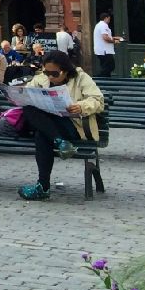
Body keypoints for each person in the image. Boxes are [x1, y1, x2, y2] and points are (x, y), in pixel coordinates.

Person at [18, 50, 105, 201]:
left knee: (42, 133)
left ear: (65, 70)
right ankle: (59, 144)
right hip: (51, 128)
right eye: (47, 72)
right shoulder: (41, 79)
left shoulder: (81, 78)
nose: (50, 77)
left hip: (73, 125)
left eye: (55, 74)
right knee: (33, 117)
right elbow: (28, 95)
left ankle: (42, 188)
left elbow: (98, 100)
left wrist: (81, 106)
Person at [93, 11, 119, 77]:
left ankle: (106, 80)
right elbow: (105, 37)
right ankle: (98, 78)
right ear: (106, 18)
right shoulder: (103, 25)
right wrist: (114, 41)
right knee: (110, 66)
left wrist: (116, 38)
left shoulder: (98, 25)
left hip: (101, 50)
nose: (109, 21)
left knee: (106, 67)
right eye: (109, 19)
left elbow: (105, 36)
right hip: (105, 50)